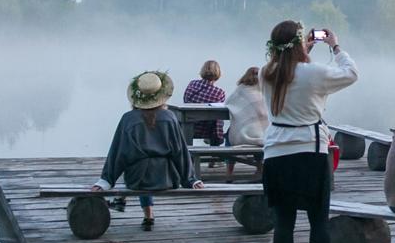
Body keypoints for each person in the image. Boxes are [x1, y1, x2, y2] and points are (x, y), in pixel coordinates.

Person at [260, 20, 359, 243]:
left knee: (283, 224)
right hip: (310, 152)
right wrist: (335, 46)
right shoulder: (314, 73)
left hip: (276, 154)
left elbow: (286, 72)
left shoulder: (265, 73)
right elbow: (351, 73)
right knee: (318, 222)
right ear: (300, 42)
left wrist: (301, 51)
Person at [90, 70, 204, 231]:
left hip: (138, 180)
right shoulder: (170, 117)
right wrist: (190, 179)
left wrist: (106, 181)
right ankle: (148, 214)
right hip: (166, 178)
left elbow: (118, 153)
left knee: (136, 163)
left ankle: (140, 210)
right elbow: (180, 152)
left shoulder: (128, 119)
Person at [182, 60, 226, 145]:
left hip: (187, 126)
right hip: (206, 130)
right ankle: (216, 143)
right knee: (217, 117)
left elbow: (185, 100)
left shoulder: (192, 84)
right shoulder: (219, 92)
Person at [224, 66, 269, 146]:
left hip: (245, 135)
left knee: (229, 132)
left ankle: (226, 157)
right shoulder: (265, 92)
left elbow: (228, 102)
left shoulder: (240, 91)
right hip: (266, 136)